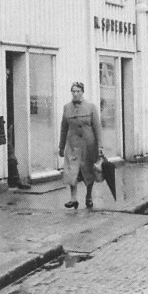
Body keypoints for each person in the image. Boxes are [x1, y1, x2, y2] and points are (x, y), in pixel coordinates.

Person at [58, 81, 104, 209]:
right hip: (72, 145)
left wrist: (100, 146)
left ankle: (88, 196)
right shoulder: (67, 108)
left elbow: (97, 128)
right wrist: (61, 147)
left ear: (82, 92)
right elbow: (63, 128)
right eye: (73, 91)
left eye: (78, 91)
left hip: (88, 145)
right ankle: (73, 198)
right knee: (71, 171)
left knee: (88, 171)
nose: (75, 93)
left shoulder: (91, 107)